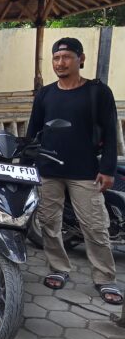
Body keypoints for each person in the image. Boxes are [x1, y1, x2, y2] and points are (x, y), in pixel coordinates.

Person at [27, 37, 122, 305]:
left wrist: (108, 169)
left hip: (85, 171)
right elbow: (33, 132)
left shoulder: (97, 92)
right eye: (56, 58)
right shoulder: (45, 94)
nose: (60, 63)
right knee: (49, 222)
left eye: (67, 57)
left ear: (81, 59)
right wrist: (27, 162)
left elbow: (110, 131)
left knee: (95, 226)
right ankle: (58, 267)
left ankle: (105, 278)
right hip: (48, 170)